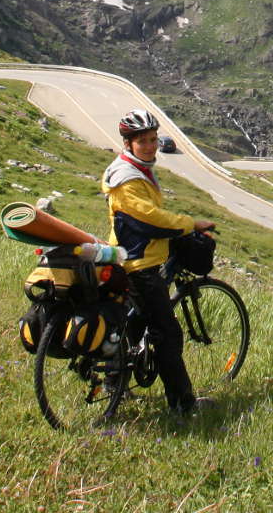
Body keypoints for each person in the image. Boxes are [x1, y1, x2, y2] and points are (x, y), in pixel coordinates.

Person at [101, 108, 215, 415]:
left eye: (153, 139)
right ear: (128, 143)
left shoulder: (137, 168)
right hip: (139, 264)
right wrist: (190, 223)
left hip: (136, 256)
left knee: (135, 324)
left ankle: (115, 384)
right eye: (142, 141)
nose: (151, 146)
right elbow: (149, 219)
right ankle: (184, 405)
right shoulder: (127, 179)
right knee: (167, 334)